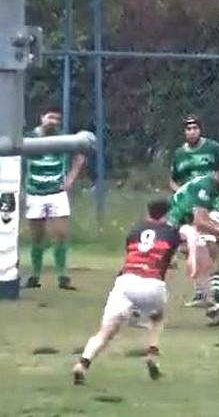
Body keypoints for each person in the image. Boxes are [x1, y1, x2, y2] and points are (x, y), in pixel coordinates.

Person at [72, 200, 193, 384]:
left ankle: (83, 363)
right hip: (153, 284)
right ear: (166, 214)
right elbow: (175, 255)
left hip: (126, 281)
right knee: (157, 318)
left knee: (105, 331)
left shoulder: (134, 230)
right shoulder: (172, 233)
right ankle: (151, 353)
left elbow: (133, 253)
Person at [166, 158, 219, 325]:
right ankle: (135, 308)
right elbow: (200, 222)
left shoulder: (212, 187)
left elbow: (203, 219)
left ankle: (214, 309)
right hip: (173, 223)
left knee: (207, 257)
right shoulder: (207, 187)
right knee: (161, 265)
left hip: (183, 223)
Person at [169, 114, 219, 308]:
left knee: (209, 246)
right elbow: (172, 179)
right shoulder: (179, 154)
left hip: (211, 204)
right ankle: (201, 293)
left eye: (195, 128)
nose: (192, 132)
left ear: (201, 130)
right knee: (194, 246)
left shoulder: (214, 149)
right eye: (188, 129)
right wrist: (183, 192)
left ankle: (215, 293)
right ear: (184, 132)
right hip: (189, 206)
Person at [23, 106, 86, 290]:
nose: (54, 122)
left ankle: (62, 276)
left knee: (61, 234)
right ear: (42, 117)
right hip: (35, 193)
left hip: (56, 193)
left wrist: (70, 178)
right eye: (50, 117)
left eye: (57, 119)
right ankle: (35, 275)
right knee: (37, 237)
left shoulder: (62, 138)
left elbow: (80, 154)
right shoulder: (30, 138)